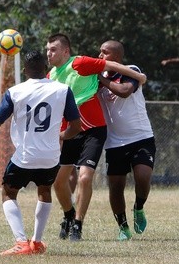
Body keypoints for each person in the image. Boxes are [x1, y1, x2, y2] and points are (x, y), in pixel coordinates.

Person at [46, 33, 147, 241]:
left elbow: (114, 68)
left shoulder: (81, 62)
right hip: (69, 132)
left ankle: (78, 225)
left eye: (53, 49)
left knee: (85, 178)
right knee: (58, 182)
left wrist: (138, 76)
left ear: (66, 51)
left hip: (94, 130)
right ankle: (68, 215)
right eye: (47, 49)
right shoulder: (50, 77)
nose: (49, 53)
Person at [0, 50, 82, 255]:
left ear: (25, 70)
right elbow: (76, 126)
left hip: (26, 155)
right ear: (46, 68)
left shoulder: (16, 91)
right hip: (51, 156)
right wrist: (61, 136)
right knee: (44, 191)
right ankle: (36, 242)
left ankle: (21, 242)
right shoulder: (63, 90)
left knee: (9, 192)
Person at [97, 40, 155, 241]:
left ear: (116, 56)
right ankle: (123, 227)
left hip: (141, 137)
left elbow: (124, 91)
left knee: (142, 177)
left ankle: (139, 208)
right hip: (115, 143)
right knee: (116, 186)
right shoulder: (98, 78)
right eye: (100, 52)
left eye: (104, 52)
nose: (100, 55)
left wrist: (101, 80)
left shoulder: (131, 70)